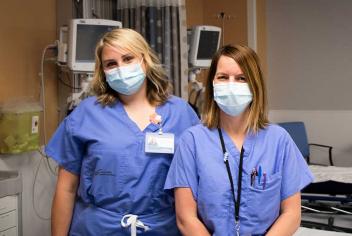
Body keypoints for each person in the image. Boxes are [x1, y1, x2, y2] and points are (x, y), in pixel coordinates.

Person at [46, 28, 199, 236]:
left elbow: (199, 183)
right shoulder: (86, 114)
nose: (121, 68)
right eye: (111, 64)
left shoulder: (181, 113)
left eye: (128, 59)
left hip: (162, 228)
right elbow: (67, 188)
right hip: (98, 229)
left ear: (145, 61)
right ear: (103, 71)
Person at [164, 45, 314, 236]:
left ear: (255, 84)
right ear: (212, 83)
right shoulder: (192, 141)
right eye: (223, 77)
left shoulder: (278, 140)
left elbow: (292, 214)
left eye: (241, 78)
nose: (231, 85)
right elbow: (186, 218)